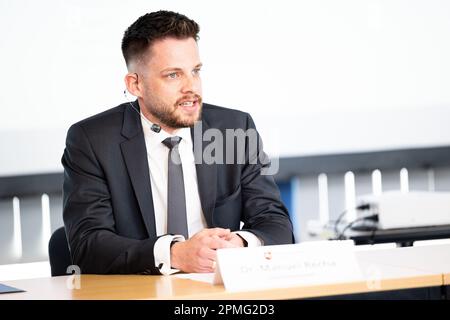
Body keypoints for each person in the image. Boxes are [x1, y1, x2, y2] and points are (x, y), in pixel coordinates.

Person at [62, 10, 294, 275]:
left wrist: (241, 244)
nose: (191, 87)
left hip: (219, 291)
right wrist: (173, 254)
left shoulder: (235, 128)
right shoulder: (92, 140)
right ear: (135, 84)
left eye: (195, 71)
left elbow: (276, 223)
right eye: (173, 75)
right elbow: (87, 244)